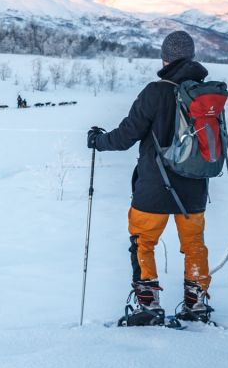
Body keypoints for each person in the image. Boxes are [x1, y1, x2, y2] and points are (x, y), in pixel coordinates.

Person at [87, 30, 214, 326]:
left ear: (165, 58)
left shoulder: (155, 92)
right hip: (195, 187)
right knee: (194, 245)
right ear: (192, 57)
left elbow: (125, 136)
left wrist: (98, 140)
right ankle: (196, 305)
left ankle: (148, 306)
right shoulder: (205, 95)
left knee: (143, 243)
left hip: (154, 188)